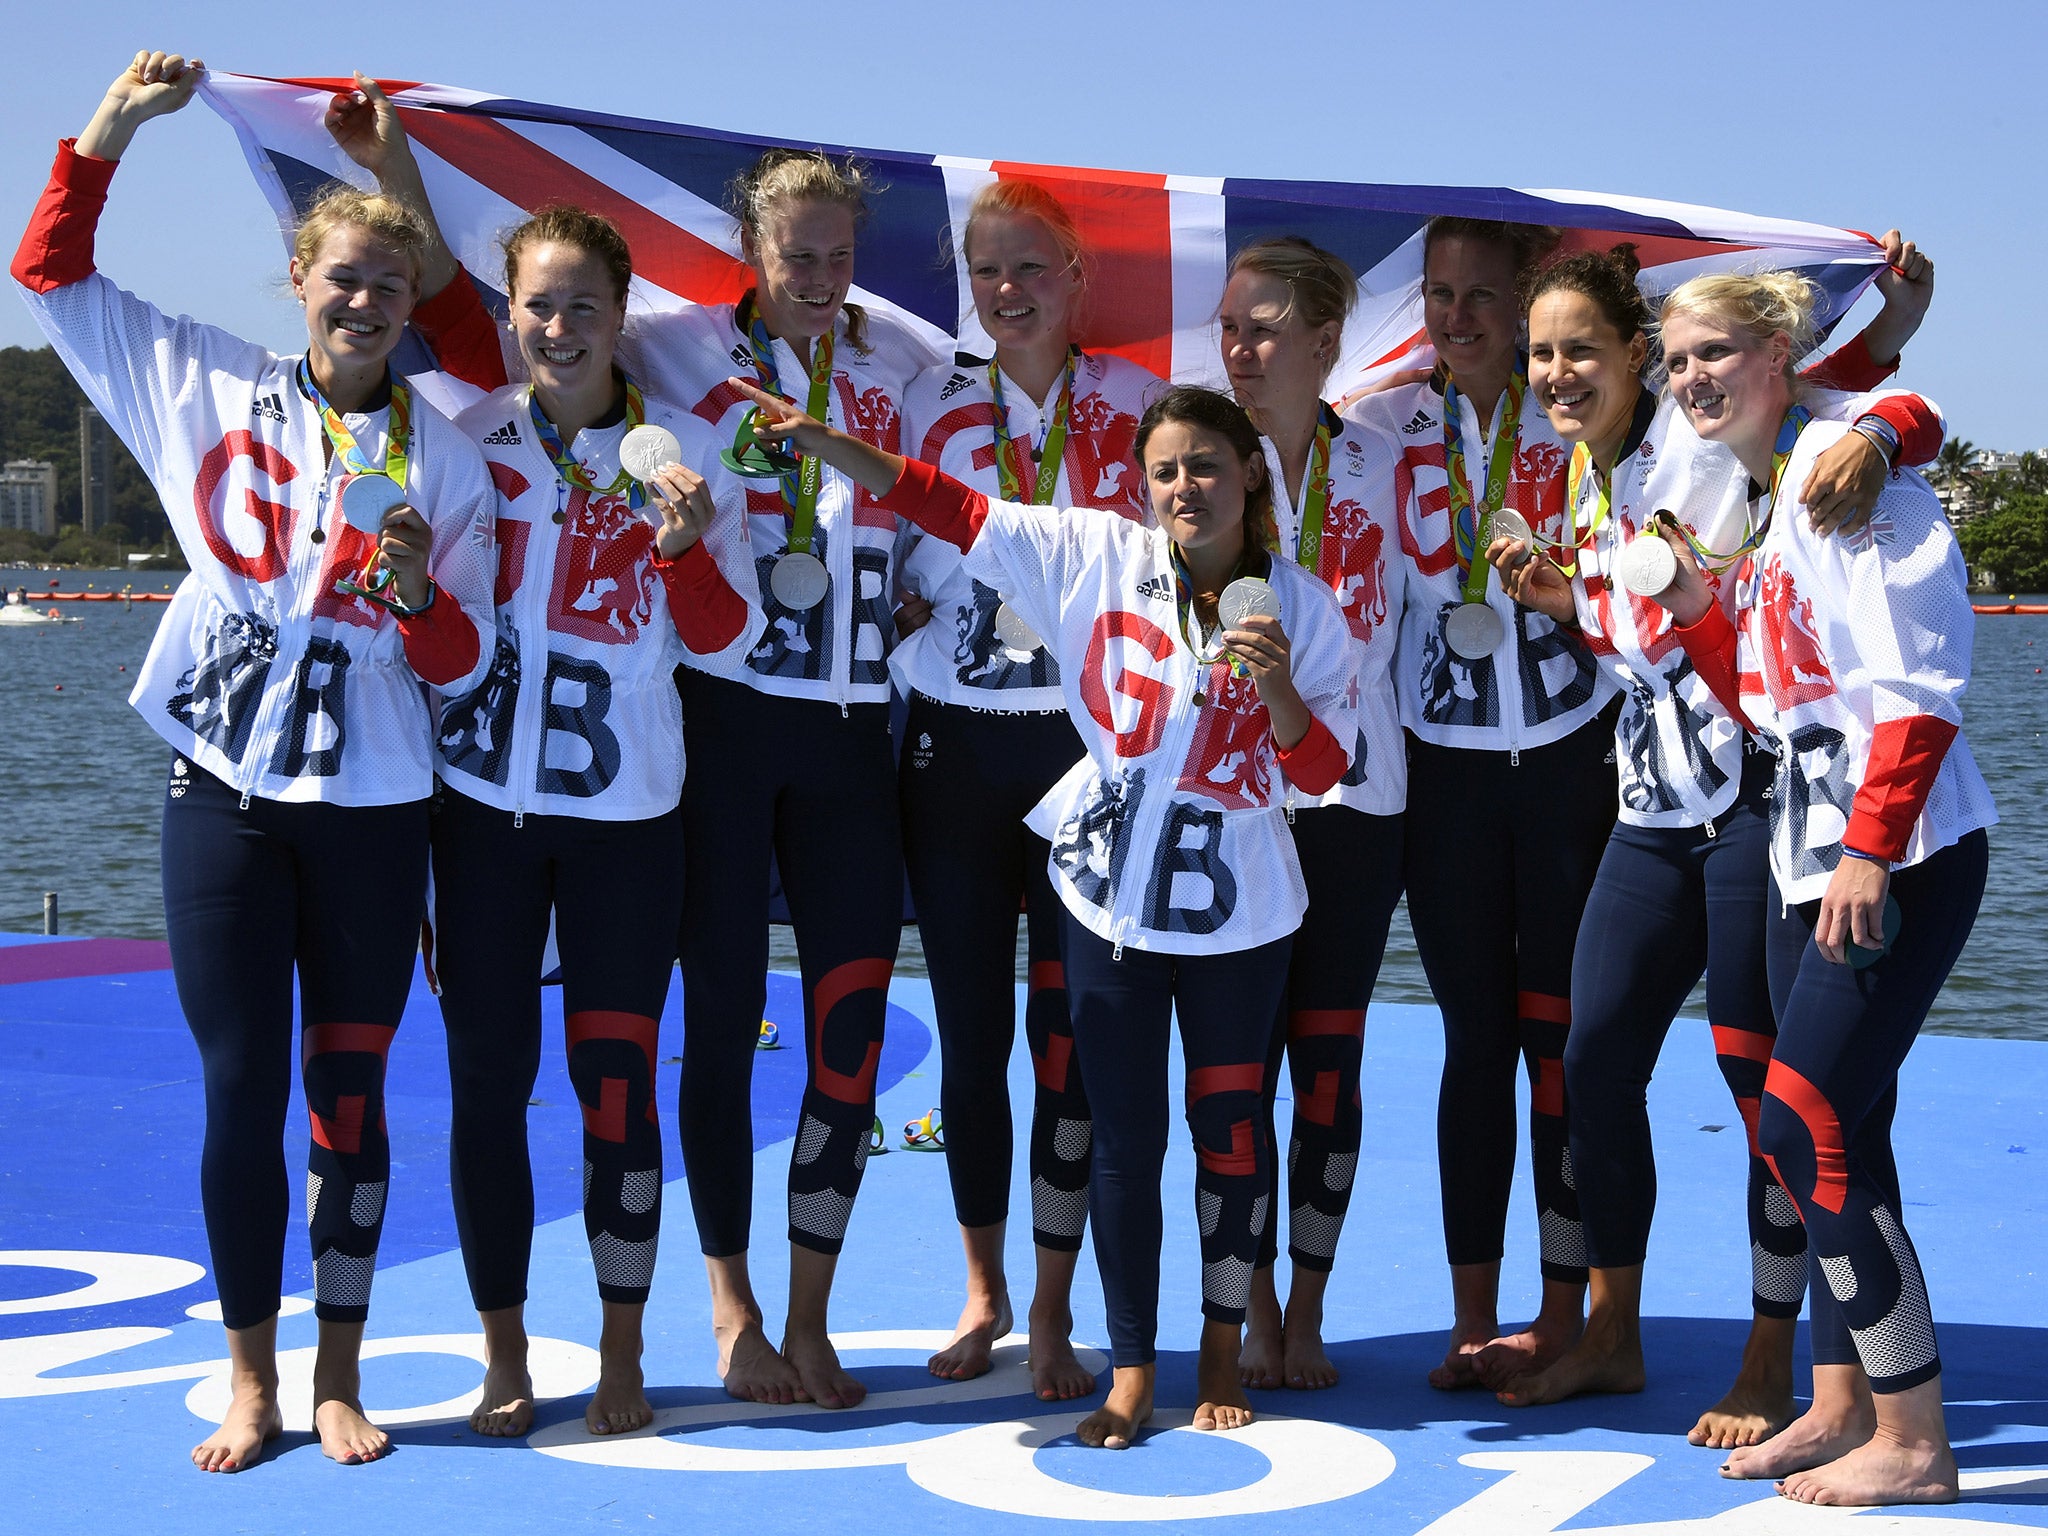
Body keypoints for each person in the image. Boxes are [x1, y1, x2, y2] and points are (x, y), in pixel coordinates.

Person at [393, 139, 941, 1410]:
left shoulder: (904, 368)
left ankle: (807, 1318)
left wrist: (929, 596)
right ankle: (721, 1312)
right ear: (749, 254)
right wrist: (395, 168)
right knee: (704, 1042)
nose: (814, 275)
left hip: (851, 736)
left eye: (835, 256)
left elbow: (952, 501)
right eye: (791, 253)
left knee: (844, 1035)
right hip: (722, 743)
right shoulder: (680, 353)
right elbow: (486, 335)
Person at [12, 51, 495, 1470]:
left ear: (410, 306)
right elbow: (50, 270)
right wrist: (113, 128)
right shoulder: (202, 387)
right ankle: (251, 1375)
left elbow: (465, 667)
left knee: (350, 1098)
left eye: (388, 286)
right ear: (300, 282)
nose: (362, 302)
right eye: (341, 278)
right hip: (221, 802)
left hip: (373, 815)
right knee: (242, 1091)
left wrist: (417, 594)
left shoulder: (454, 458)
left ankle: (339, 1372)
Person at [730, 375, 1361, 1448]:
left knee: (1227, 1133)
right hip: (1108, 895)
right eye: (1162, 469)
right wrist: (826, 443)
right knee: (1119, 1137)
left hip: (1241, 915)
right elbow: (948, 504)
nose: (1182, 487)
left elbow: (1323, 768)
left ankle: (1216, 1353)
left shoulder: (1302, 608)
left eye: (1204, 465)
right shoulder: (1093, 554)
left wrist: (1283, 690)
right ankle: (1128, 1367)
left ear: (1249, 473)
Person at [1487, 244, 1943, 1432]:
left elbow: (1874, 397)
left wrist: (1892, 406)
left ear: (1635, 353)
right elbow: (1646, 626)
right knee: (1589, 1062)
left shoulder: (1702, 436)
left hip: (1754, 812)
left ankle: (1765, 1359)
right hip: (1646, 817)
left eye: (1581, 346)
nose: (1555, 370)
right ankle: (1611, 1336)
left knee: (1764, 1094)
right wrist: (1560, 596)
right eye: (1540, 352)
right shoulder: (1585, 479)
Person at [1648, 269, 1994, 1506]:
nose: (1689, 377)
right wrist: (1694, 611)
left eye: (1715, 352)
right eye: (1675, 359)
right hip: (1813, 854)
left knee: (1801, 1123)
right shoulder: (1775, 496)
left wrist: (1867, 847)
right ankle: (1842, 1403)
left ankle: (1915, 1438)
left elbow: (1918, 688)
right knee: (1840, 1132)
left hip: (1891, 858)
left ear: (1783, 351)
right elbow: (1766, 697)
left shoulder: (1852, 477)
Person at [892, 179, 1162, 1399]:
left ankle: (1054, 1309)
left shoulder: (1138, 405)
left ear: (1075, 277)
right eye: (986, 272)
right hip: (951, 750)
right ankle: (984, 1289)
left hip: (1079, 753)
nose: (1007, 293)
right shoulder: (919, 398)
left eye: (1031, 269)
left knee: (1068, 1044)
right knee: (969, 1041)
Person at [1217, 238, 1405, 1391]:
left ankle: (1309, 1305)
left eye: (1266, 328)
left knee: (1326, 1066)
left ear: (1328, 342)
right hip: (1239, 805)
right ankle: (1245, 1307)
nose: (1241, 350)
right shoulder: (1198, 462)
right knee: (1235, 1069)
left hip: (1355, 805)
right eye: (1230, 328)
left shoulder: (1390, 451)